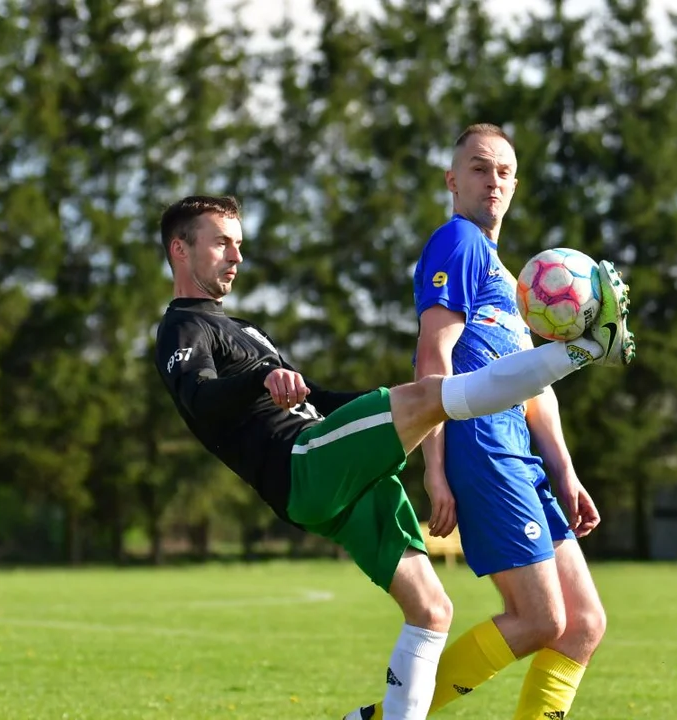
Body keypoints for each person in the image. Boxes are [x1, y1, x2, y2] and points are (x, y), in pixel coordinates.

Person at [153, 195, 633, 720]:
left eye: (239, 245)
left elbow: (316, 397)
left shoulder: (244, 327)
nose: (236, 257)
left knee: (431, 610)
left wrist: (379, 401)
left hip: (339, 479)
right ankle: (584, 349)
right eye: (222, 243)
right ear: (180, 249)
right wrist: (261, 379)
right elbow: (199, 397)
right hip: (304, 462)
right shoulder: (183, 329)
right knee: (431, 396)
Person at [349, 124, 634, 720]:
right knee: (540, 618)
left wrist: (565, 471)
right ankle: (383, 718)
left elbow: (535, 387)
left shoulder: (514, 281)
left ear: (516, 185)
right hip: (480, 446)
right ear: (453, 181)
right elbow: (435, 358)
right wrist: (435, 470)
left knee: (582, 624)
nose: (493, 180)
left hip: (519, 453)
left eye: (504, 171)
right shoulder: (458, 241)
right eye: (479, 168)